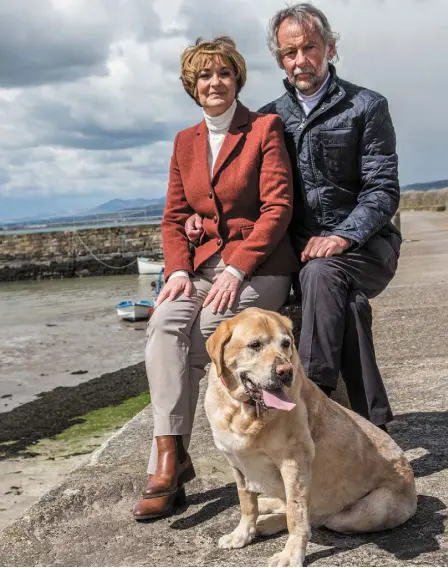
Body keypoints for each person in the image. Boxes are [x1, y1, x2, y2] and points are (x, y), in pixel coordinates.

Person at [185, 3, 402, 431]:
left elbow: (383, 190)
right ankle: (374, 425)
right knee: (349, 305)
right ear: (279, 58)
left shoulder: (367, 106)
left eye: (310, 48)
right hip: (302, 255)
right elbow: (247, 194)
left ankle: (308, 394)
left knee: (323, 273)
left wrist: (342, 236)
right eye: (289, 52)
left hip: (366, 247)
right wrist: (201, 217)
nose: (300, 60)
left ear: (330, 48)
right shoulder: (268, 118)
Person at [133, 36, 299, 521]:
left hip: (260, 266)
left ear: (237, 79)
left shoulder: (264, 128)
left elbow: (278, 208)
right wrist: (180, 268)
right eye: (204, 76)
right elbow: (173, 217)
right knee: (164, 325)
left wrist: (235, 266)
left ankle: (170, 465)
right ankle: (170, 457)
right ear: (193, 85)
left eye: (223, 73)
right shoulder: (185, 142)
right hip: (200, 266)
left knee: (209, 332)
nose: (214, 83)